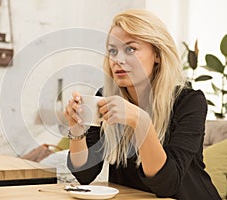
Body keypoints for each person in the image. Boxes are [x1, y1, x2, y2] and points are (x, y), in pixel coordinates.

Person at [64, 9, 221, 200]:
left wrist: (140, 122)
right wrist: (77, 129)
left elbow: (167, 185)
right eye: (113, 51)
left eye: (131, 49)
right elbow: (85, 175)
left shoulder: (189, 102)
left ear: (157, 54)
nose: (118, 60)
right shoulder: (106, 98)